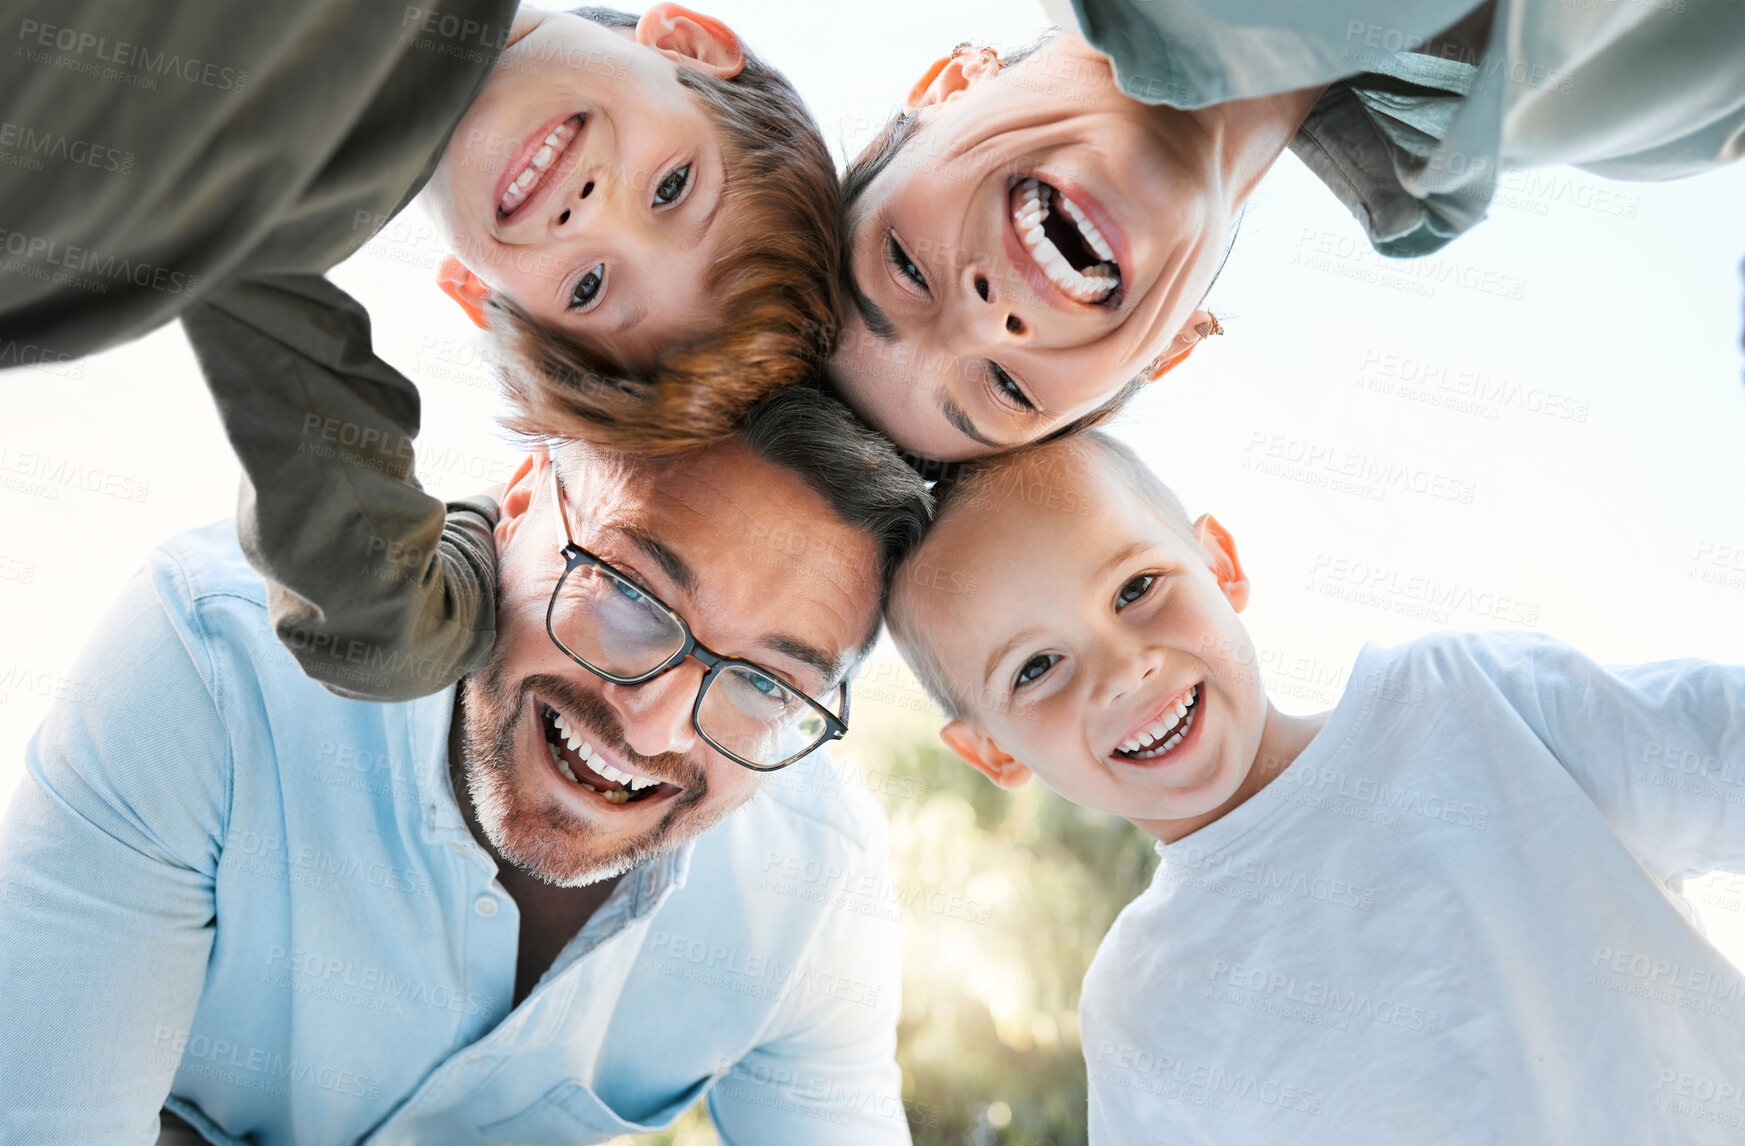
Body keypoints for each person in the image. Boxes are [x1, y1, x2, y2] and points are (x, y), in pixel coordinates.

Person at [0, 385, 931, 1145]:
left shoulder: (813, 883)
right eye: (632, 594)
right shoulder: (216, 663)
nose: (654, 725)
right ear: (519, 499)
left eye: (765, 683)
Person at [884, 431, 1745, 1142]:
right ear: (992, 754)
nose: (1121, 671)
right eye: (1036, 668)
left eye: (1136, 588)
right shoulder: (1141, 1002)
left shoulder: (1468, 702)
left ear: (1221, 566)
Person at [0, 2, 842, 700]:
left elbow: (384, 627)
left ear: (477, 296)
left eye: (587, 288)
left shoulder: (267, 239)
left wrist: (502, 534)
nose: (589, 211)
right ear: (687, 43)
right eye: (672, 187)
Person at [830, 1, 1745, 460]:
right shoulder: (1638, 135)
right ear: (1169, 352)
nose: (986, 320)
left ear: (943, 89)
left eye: (903, 269)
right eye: (1002, 389)